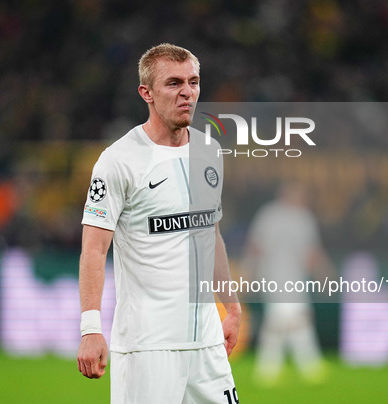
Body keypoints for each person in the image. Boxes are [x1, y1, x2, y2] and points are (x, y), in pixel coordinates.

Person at [76, 44, 242, 403]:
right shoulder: (118, 161)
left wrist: (232, 306)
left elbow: (210, 234)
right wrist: (91, 328)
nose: (187, 92)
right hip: (148, 348)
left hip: (207, 344)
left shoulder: (209, 152)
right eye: (174, 83)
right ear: (146, 93)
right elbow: (93, 248)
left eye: (194, 81)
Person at [244, 180, 333, 385]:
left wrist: (322, 274)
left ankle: (276, 368)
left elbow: (311, 253)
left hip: (294, 277)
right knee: (287, 320)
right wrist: (249, 273)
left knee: (288, 320)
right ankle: (301, 367)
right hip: (273, 276)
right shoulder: (271, 215)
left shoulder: (303, 217)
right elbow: (256, 247)